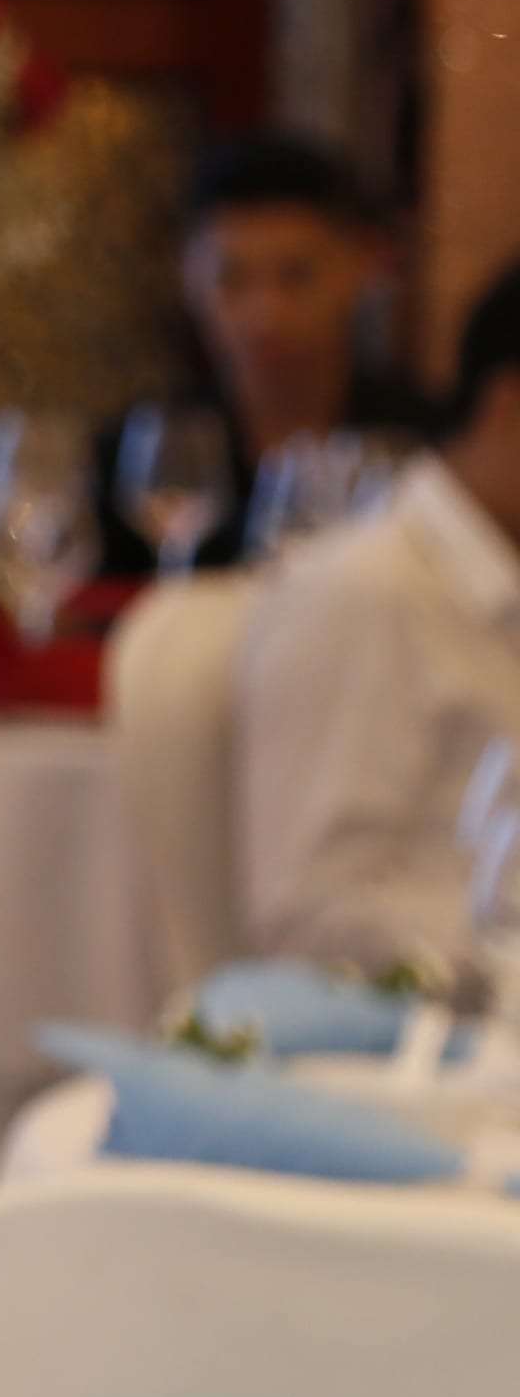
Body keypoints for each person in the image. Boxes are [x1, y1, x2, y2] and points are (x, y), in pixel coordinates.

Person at [231, 252, 520, 978]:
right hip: (435, 1028)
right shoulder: (362, 590)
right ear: (509, 404)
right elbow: (306, 907)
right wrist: (501, 935)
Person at [99, 129, 420, 578]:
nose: (264, 313)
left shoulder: (424, 446)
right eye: (231, 279)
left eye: (295, 276)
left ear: (364, 265)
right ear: (187, 275)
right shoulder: (138, 459)